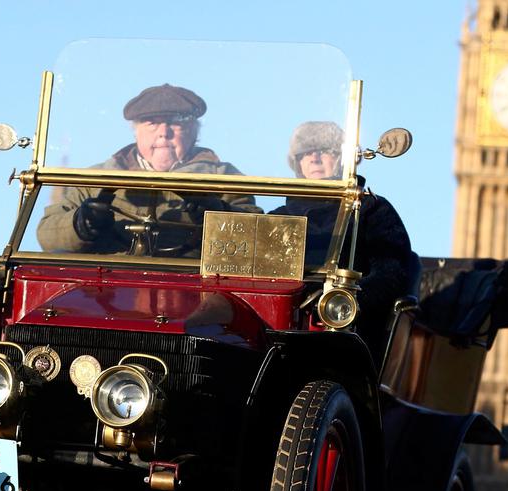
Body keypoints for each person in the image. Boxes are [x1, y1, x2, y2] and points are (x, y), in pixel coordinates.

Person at [37, 83, 258, 253]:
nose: (164, 132)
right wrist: (81, 224)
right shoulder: (97, 178)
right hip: (107, 287)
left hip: (194, 286)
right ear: (136, 131)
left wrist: (217, 215)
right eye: (152, 122)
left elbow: (258, 240)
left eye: (176, 122)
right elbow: (47, 234)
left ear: (194, 130)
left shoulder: (224, 179)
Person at [272, 121, 417, 362]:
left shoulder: (372, 210)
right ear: (297, 162)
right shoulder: (278, 217)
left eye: (325, 150)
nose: (315, 158)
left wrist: (345, 301)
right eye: (306, 153)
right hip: (278, 329)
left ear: (343, 158)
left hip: (346, 333)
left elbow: (391, 274)